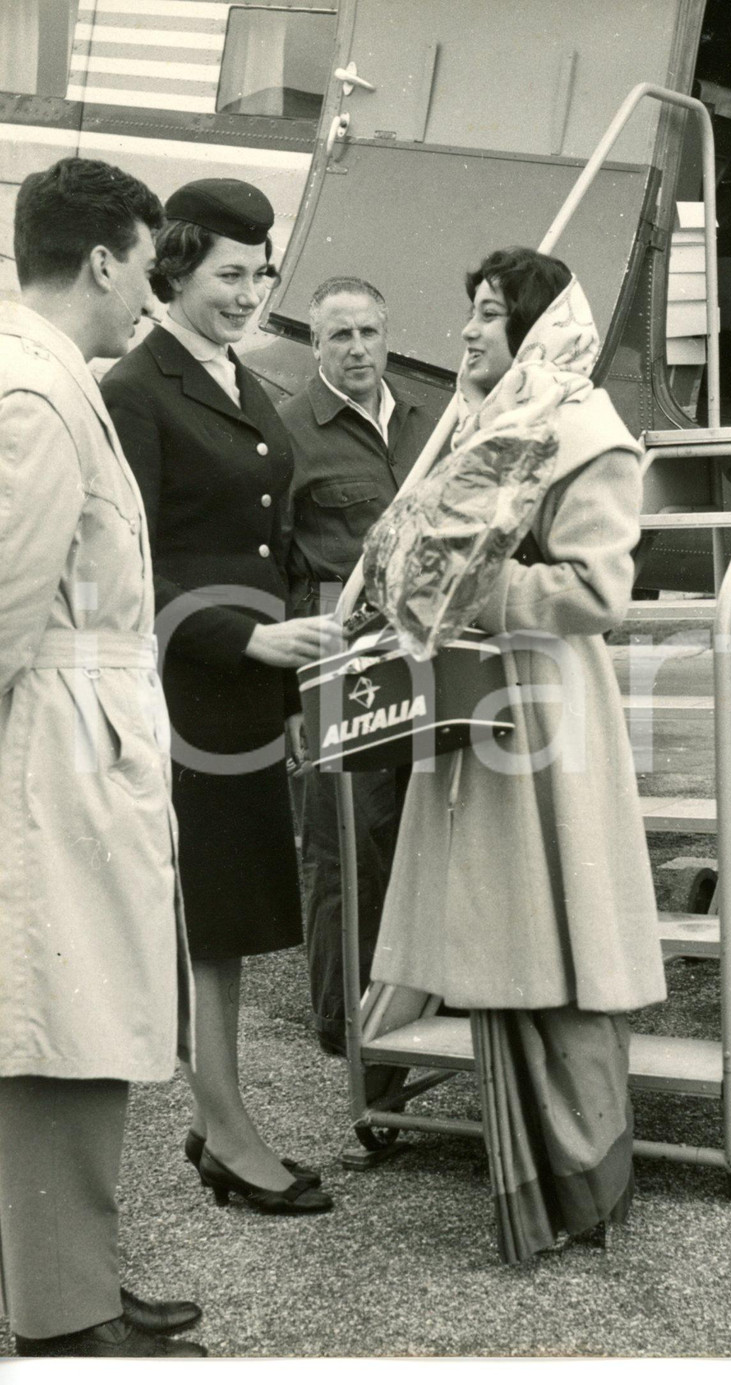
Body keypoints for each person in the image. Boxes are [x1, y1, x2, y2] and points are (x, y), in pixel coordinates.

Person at [369, 248, 668, 1263]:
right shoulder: (480, 424)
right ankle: (536, 1176)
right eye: (471, 312)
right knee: (507, 935)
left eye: (489, 316)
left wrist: (471, 592)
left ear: (535, 329)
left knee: (560, 939)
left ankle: (584, 1178)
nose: (467, 333)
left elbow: (596, 594)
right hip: (483, 703)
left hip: (546, 712)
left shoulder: (582, 435)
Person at [0, 157, 206, 1356]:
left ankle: (65, 1274)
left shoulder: (50, 379)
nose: (148, 292)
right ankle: (62, 1310)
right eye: (143, 265)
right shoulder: (34, 393)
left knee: (76, 1021)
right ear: (99, 260)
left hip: (79, 741)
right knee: (54, 1025)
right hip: (52, 756)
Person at [100, 179, 334, 1216]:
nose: (249, 292)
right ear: (173, 271)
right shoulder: (137, 389)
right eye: (228, 274)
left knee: (227, 914)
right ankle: (230, 1131)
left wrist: (280, 653)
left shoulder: (238, 381)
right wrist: (244, 634)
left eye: (261, 272)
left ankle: (218, 1117)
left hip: (245, 692)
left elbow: (266, 534)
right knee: (204, 915)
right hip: (185, 688)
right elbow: (127, 563)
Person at [279, 276, 437, 1056]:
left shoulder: (428, 422)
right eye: (339, 336)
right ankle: (348, 1024)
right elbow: (275, 574)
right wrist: (289, 701)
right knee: (347, 846)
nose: (357, 348)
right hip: (344, 664)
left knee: (425, 829)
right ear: (315, 346)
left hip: (430, 654)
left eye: (369, 332)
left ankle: (427, 1004)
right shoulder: (287, 435)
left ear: (387, 333)